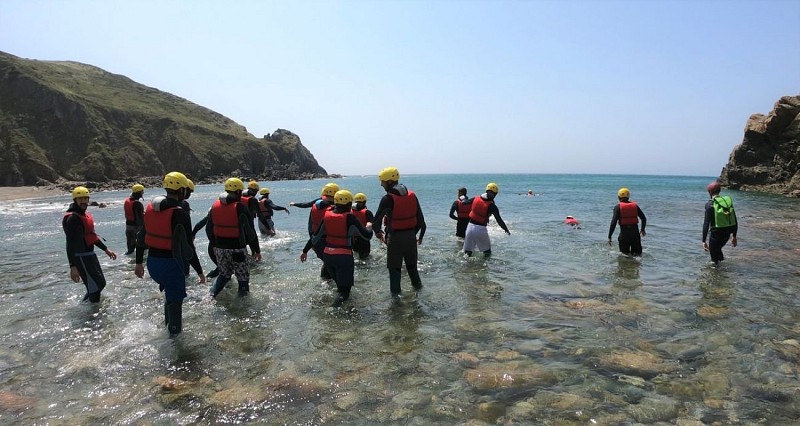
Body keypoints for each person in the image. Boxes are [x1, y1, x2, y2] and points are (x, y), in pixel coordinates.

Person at [134, 172, 196, 335]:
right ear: (181, 190)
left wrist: (138, 262)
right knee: (176, 303)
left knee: (169, 296)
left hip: (152, 264)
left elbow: (140, 238)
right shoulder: (180, 213)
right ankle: (174, 342)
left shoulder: (151, 208)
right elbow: (188, 249)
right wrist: (200, 271)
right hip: (171, 264)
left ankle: (167, 330)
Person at [300, 190, 373, 306]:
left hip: (328, 257)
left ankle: (330, 306)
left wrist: (305, 251)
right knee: (345, 293)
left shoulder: (327, 216)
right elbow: (367, 236)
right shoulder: (350, 218)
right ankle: (333, 310)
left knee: (339, 287)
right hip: (343, 257)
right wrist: (369, 227)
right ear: (349, 204)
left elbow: (315, 237)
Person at [372, 167, 426, 297]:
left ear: (389, 182)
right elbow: (421, 222)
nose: (381, 185)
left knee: (395, 271)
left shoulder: (387, 199)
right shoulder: (412, 195)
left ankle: (396, 304)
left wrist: (379, 233)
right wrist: (414, 235)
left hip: (395, 239)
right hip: (411, 237)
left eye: (383, 182)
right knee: (412, 268)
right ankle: (419, 296)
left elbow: (376, 222)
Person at [206, 178, 262, 298]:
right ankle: (243, 305)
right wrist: (257, 250)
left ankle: (210, 296)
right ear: (238, 192)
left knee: (224, 275)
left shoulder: (215, 205)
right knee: (243, 279)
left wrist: (215, 245)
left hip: (219, 249)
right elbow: (251, 233)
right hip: (237, 249)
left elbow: (208, 229)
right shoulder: (240, 207)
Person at [63, 186, 117, 303]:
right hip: (80, 257)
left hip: (90, 255)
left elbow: (91, 236)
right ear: (75, 200)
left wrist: (106, 249)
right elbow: (69, 243)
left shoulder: (85, 215)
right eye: (80, 199)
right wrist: (73, 266)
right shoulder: (72, 219)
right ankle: (93, 312)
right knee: (95, 287)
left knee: (101, 284)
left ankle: (85, 306)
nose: (83, 201)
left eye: (85, 198)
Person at [291, 183, 338, 280]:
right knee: (330, 264)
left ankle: (325, 282)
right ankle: (328, 283)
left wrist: (309, 246)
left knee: (326, 263)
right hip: (328, 241)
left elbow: (309, 221)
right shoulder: (337, 208)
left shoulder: (316, 203)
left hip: (315, 241)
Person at [463, 183, 511, 257]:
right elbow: (499, 221)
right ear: (495, 194)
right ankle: (485, 264)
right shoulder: (492, 206)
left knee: (467, 253)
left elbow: (464, 203)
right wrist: (506, 229)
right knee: (487, 253)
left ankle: (466, 264)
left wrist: (464, 198)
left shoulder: (475, 198)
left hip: (469, 227)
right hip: (481, 230)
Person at [702, 181, 738, 264]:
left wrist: (703, 241)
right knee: (718, 251)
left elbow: (706, 223)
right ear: (719, 191)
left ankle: (716, 271)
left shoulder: (709, 204)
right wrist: (734, 236)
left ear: (710, 192)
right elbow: (734, 219)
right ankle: (724, 270)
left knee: (714, 260)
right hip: (726, 235)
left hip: (716, 235)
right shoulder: (727, 203)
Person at [607, 187, 647, 257]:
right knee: (637, 256)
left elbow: (613, 222)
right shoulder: (635, 206)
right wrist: (642, 229)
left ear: (619, 197)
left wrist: (609, 236)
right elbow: (643, 218)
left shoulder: (618, 207)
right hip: (635, 235)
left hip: (624, 235)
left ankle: (625, 264)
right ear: (628, 197)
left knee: (624, 256)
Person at [351, 192, 374, 259]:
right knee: (365, 258)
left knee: (355, 255)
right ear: (365, 202)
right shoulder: (367, 212)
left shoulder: (349, 211)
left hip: (352, 239)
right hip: (364, 238)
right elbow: (371, 224)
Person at [123, 183, 145, 255]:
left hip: (128, 227)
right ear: (139, 193)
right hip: (137, 227)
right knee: (144, 248)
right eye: (142, 192)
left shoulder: (127, 201)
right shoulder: (137, 203)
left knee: (130, 250)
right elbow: (139, 218)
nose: (142, 193)